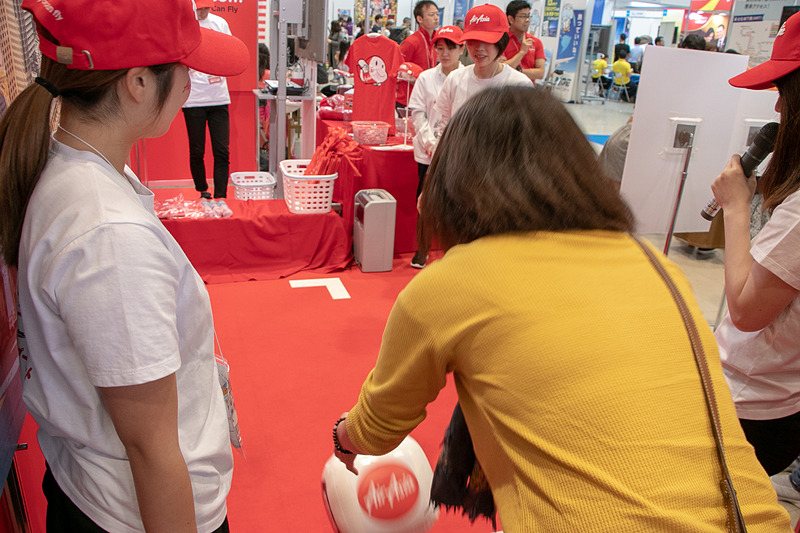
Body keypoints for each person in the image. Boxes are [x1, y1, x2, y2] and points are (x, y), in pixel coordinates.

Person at [330, 85, 791, 532]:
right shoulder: (655, 264)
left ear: (454, 181)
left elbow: (378, 426)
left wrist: (341, 439)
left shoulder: (451, 284)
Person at [0, 0, 249, 531]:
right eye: (183, 65)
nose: (190, 82)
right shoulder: (108, 236)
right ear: (137, 82)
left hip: (88, 491)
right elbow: (151, 450)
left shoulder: (73, 173)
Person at [710, 11, 800, 480]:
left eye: (786, 94)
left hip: (754, 403)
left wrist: (737, 208)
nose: (778, 110)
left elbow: (745, 311)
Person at [407, 25, 465, 269]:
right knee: (425, 199)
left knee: (458, 201)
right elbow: (417, 112)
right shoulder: (426, 78)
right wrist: (430, 141)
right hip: (427, 152)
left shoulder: (468, 78)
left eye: (450, 48)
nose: (444, 53)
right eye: (440, 48)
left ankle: (455, 250)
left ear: (462, 49)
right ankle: (422, 248)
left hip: (458, 153)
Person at [433, 4, 531, 136]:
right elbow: (444, 127)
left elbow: (526, 135)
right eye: (473, 40)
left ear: (501, 41)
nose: (479, 48)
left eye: (487, 41)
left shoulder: (519, 84)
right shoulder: (455, 79)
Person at [182, 0, 235, 199]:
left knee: (222, 150)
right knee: (197, 151)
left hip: (219, 97)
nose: (203, 11)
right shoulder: (186, 25)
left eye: (207, 7)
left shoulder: (220, 24)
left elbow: (231, 53)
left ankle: (221, 194)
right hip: (194, 98)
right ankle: (203, 190)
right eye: (200, 7)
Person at [503, 0, 546, 81]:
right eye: (523, 16)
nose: (527, 20)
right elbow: (501, 71)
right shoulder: (501, 40)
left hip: (527, 91)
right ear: (511, 19)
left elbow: (540, 73)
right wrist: (522, 52)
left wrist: (519, 70)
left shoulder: (536, 42)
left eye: (528, 16)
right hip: (506, 90)